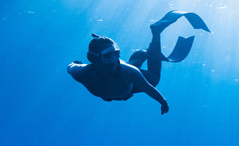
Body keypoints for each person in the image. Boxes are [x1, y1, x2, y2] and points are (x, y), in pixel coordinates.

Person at [67, 11, 209, 114]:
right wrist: (74, 63)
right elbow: (71, 67)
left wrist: (163, 101)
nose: (115, 58)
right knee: (132, 65)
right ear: (94, 59)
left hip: (128, 79)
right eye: (109, 55)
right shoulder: (82, 73)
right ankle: (146, 52)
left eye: (117, 53)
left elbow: (148, 87)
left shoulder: (126, 71)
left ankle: (156, 33)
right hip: (126, 81)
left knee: (153, 79)